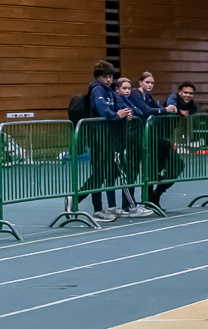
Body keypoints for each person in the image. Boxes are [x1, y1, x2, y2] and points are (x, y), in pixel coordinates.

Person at [74, 61, 132, 223]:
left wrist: (126, 113)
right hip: (97, 136)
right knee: (99, 173)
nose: (108, 79)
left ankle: (85, 202)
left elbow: (118, 106)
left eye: (110, 76)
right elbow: (104, 110)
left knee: (103, 173)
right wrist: (117, 115)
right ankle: (92, 207)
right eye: (105, 76)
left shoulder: (109, 91)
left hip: (107, 137)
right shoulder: (97, 90)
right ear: (98, 77)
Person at [129, 72, 182, 208]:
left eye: (152, 83)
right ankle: (154, 174)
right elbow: (146, 110)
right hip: (137, 134)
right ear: (140, 82)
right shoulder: (136, 94)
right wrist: (165, 109)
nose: (150, 85)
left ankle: (153, 190)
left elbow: (156, 108)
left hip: (147, 133)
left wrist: (168, 109)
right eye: (147, 82)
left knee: (163, 151)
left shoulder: (148, 95)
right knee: (164, 145)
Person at [111, 78, 154, 218]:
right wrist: (129, 112)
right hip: (117, 143)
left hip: (125, 142)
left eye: (129, 88)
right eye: (124, 88)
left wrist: (132, 111)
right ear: (117, 89)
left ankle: (126, 206)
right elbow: (132, 111)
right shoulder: (118, 99)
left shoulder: (126, 100)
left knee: (124, 175)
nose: (127, 91)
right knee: (121, 176)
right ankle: (131, 207)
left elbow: (138, 111)